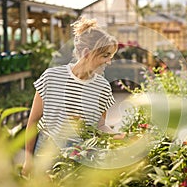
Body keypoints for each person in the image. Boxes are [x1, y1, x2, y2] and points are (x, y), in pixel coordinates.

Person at [21, 17, 125, 177]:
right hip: (46, 152)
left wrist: (119, 136)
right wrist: (28, 159)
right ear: (87, 53)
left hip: (81, 155)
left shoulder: (103, 88)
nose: (109, 62)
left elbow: (100, 126)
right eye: (105, 55)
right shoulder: (51, 77)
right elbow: (33, 121)